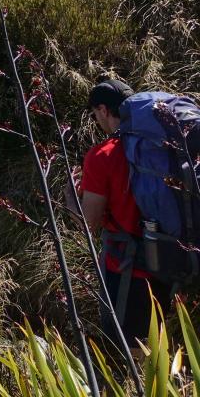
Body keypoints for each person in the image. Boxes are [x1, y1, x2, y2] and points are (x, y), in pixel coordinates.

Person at [79, 78, 172, 347]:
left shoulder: (102, 156)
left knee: (127, 351)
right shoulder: (161, 147)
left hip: (126, 271)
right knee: (158, 344)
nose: (96, 120)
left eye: (95, 114)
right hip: (168, 262)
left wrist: (70, 198)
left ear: (104, 110)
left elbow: (88, 223)